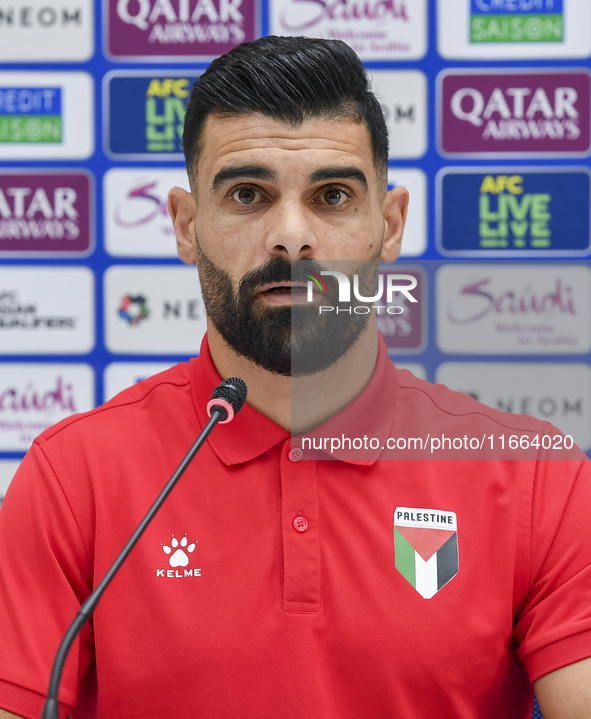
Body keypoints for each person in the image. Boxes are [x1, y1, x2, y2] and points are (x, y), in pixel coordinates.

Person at [0, 36, 590, 719]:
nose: (290, 236)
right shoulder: (75, 475)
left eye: (331, 195)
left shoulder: (533, 479)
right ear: (187, 226)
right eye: (248, 194)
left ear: (388, 224)